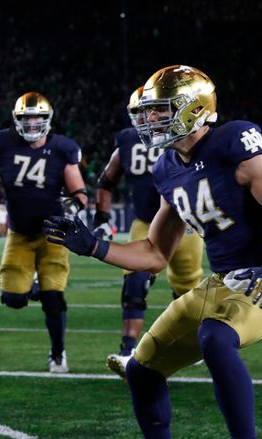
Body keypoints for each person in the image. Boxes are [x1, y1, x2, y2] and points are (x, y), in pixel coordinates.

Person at [44, 65, 262, 438]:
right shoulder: (166, 167)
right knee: (141, 370)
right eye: (147, 111)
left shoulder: (233, 141)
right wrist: (95, 246)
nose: (149, 119)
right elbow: (154, 253)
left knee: (215, 338)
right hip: (219, 282)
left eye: (160, 110)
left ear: (193, 108)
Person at [0, 92, 88, 373]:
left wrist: (69, 211)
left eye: (38, 117)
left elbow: (80, 193)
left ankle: (58, 353)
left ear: (48, 120)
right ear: (17, 119)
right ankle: (33, 285)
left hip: (53, 233)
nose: (33, 123)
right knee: (13, 299)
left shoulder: (63, 148)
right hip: (19, 233)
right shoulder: (3, 142)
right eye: (27, 117)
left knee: (53, 298)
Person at [95, 87, 204, 377]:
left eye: (152, 111)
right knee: (134, 283)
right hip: (145, 221)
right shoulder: (128, 141)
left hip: (185, 222)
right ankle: (128, 349)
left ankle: (190, 344)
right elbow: (106, 180)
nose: (147, 118)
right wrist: (102, 216)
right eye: (141, 113)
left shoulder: (183, 134)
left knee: (187, 292)